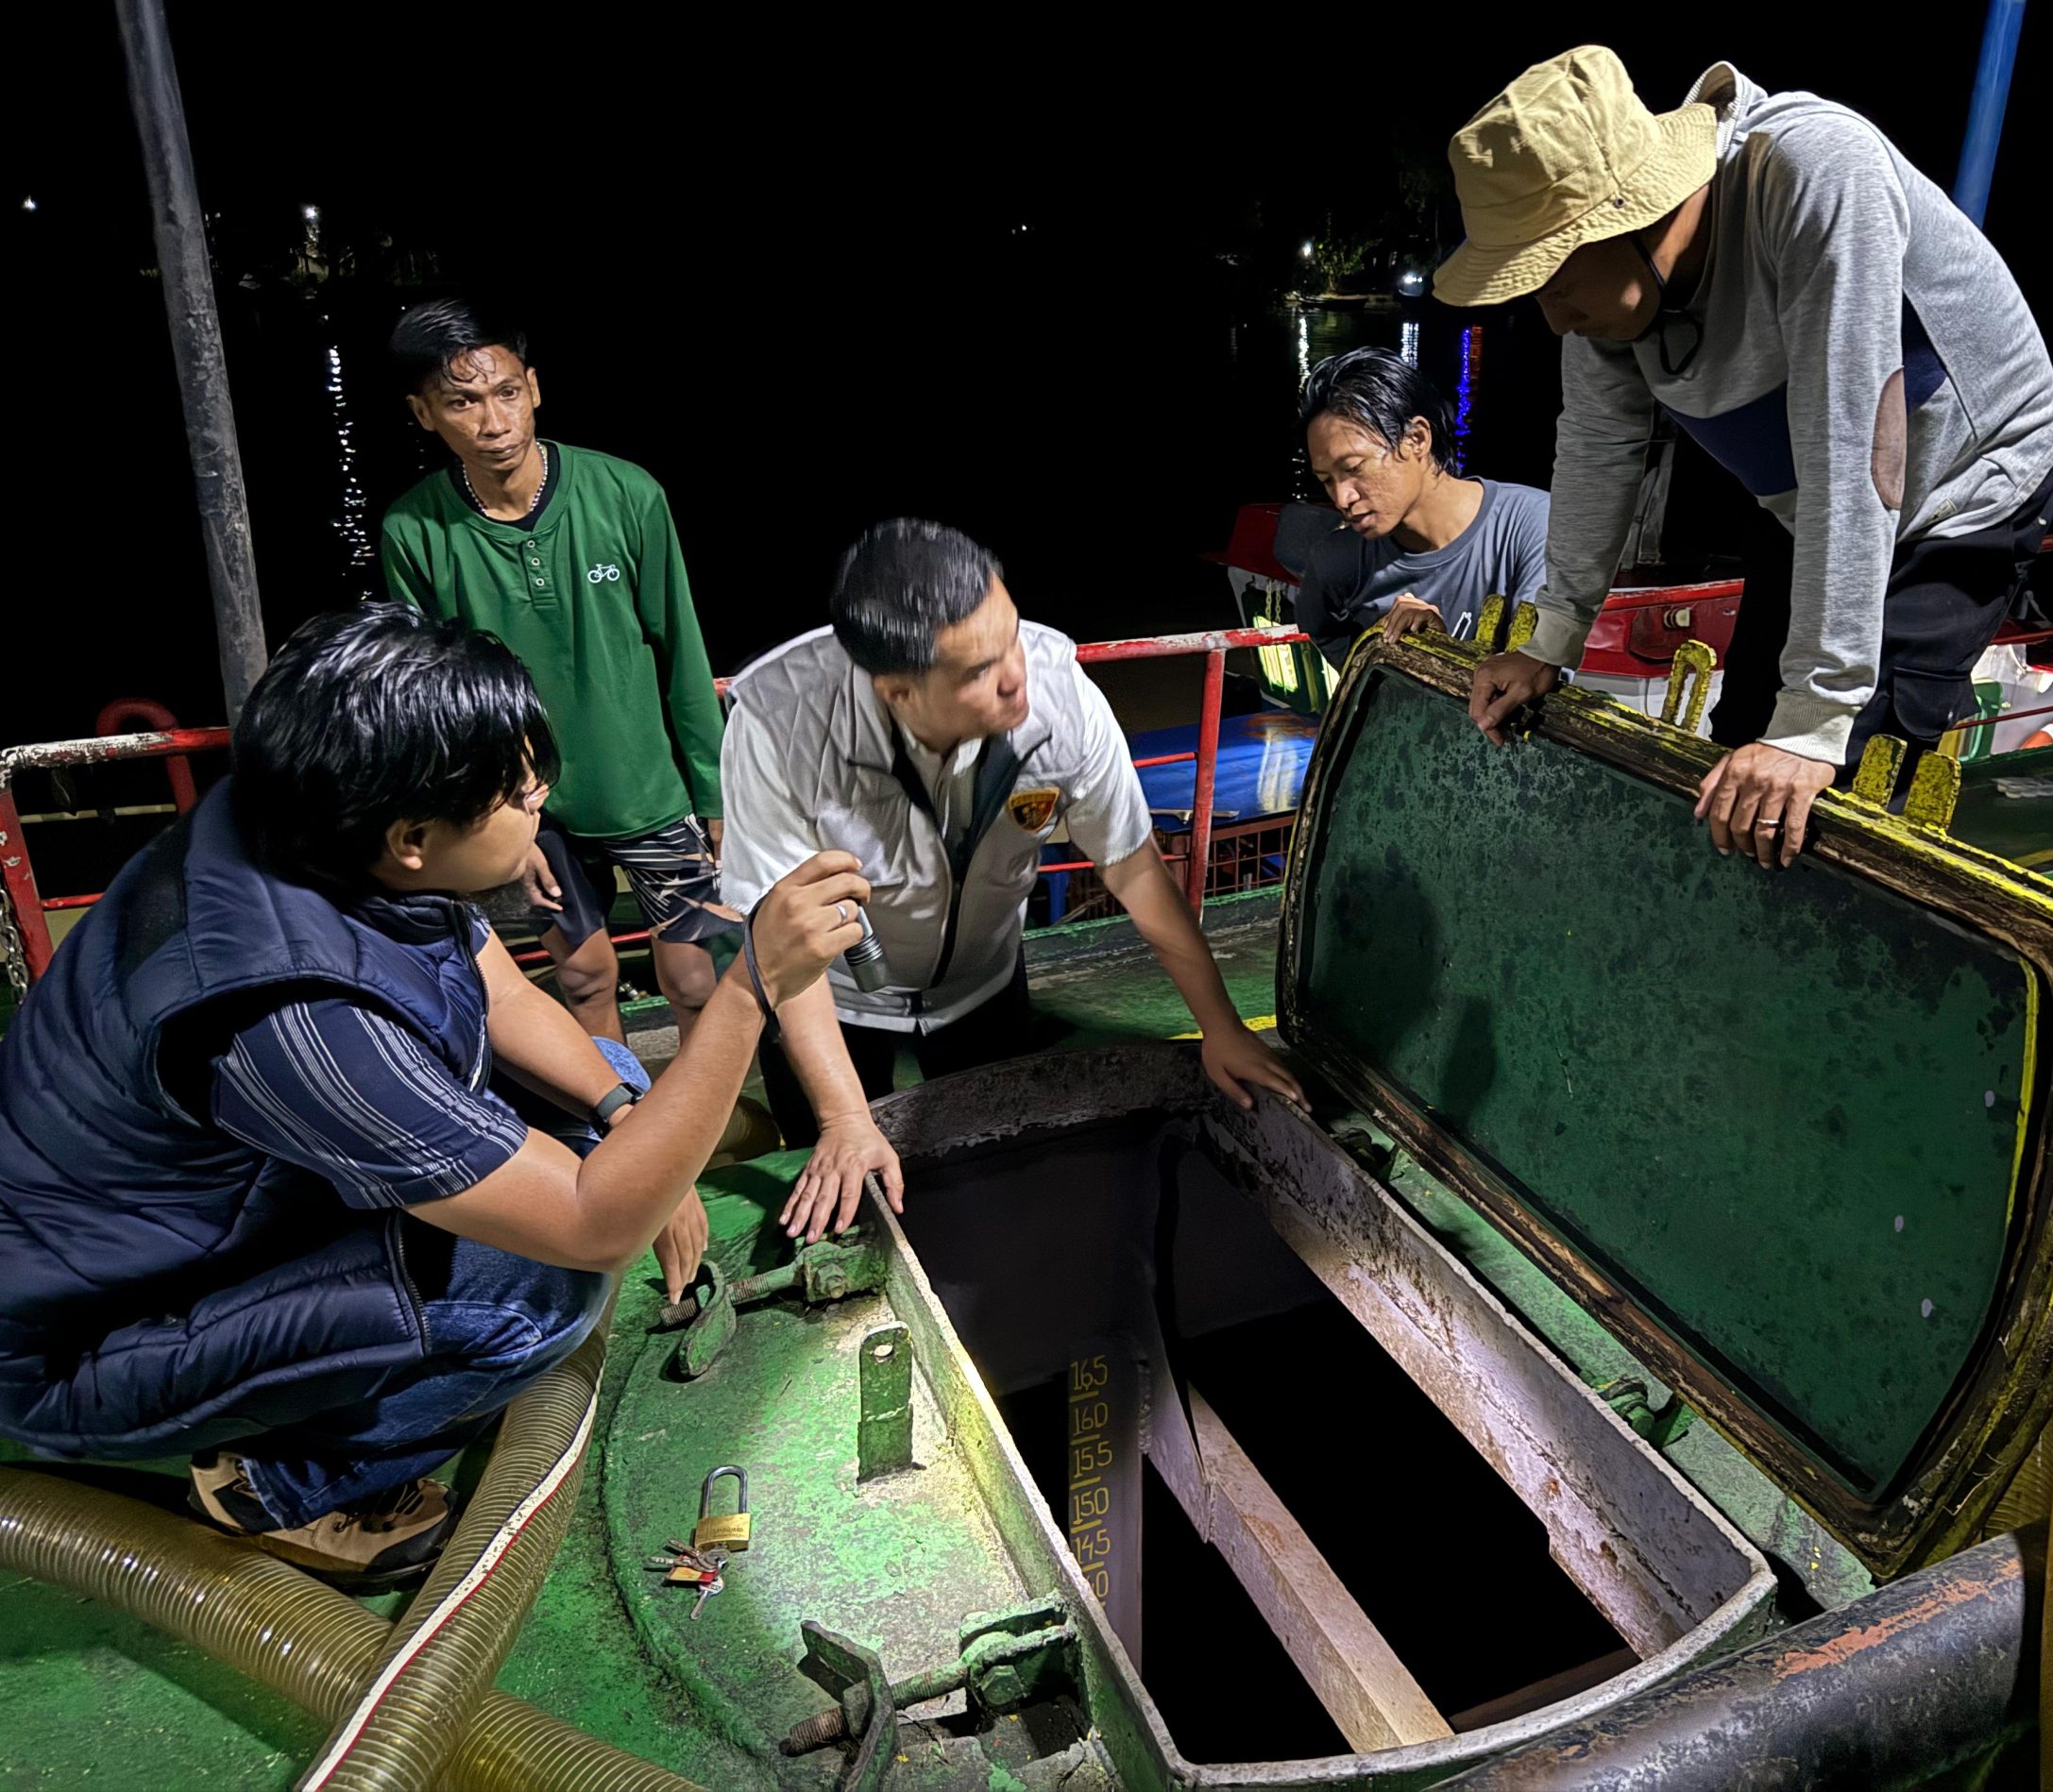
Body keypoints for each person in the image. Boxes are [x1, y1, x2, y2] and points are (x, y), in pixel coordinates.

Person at [0, 606, 867, 1583]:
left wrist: (625, 1114)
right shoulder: (299, 1019)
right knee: (547, 1288)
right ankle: (273, 1484)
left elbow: (494, 983)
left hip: (200, 1224)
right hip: (95, 1340)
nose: (541, 797)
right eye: (517, 792)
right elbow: (592, 1227)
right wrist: (751, 989)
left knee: (614, 1090)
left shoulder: (307, 817)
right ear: (412, 836)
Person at [1434, 47, 2053, 868]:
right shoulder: (1607, 293)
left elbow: (1852, 447)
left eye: (1554, 280)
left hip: (1959, 483)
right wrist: (1550, 639)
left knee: (1840, 786)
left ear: (1634, 213)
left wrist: (1816, 721)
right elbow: (1596, 446)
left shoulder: (1813, 174)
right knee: (1738, 750)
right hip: (1806, 500)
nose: (1554, 320)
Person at [719, 519, 1305, 1243]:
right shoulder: (780, 722)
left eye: (1011, 636)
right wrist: (843, 1118)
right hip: (833, 993)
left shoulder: (1060, 697)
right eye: (976, 671)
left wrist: (1221, 1026)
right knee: (843, 1199)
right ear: (899, 692)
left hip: (984, 982)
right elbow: (787, 943)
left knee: (997, 1184)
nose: (1016, 676)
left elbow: (1136, 873)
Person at [381, 300, 730, 1041]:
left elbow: (683, 651)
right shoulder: (412, 529)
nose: (493, 422)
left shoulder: (627, 493)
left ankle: (708, 1106)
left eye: (506, 392)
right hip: (526, 805)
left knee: (697, 977)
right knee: (583, 976)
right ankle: (620, 1106)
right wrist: (495, 814)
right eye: (462, 403)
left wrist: (715, 793)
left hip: (647, 791)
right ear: (423, 413)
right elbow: (437, 695)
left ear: (533, 387)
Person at [1292, 347, 1551, 667]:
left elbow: (1534, 672)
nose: (1342, 498)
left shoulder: (1533, 526)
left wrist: (1435, 650)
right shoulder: (1337, 561)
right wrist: (1375, 665)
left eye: (1354, 468)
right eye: (1326, 480)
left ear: (1417, 439)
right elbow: (1321, 632)